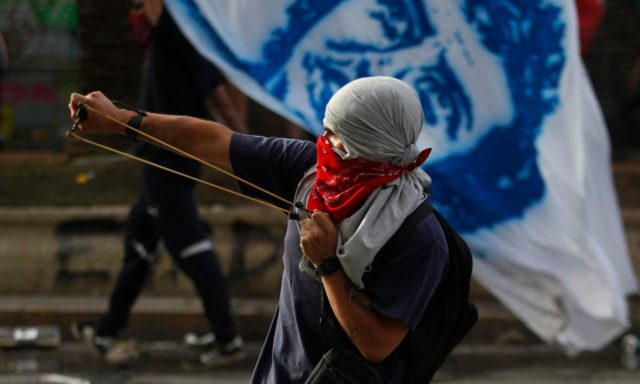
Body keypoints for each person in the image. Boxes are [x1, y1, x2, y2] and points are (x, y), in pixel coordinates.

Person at [68, 76, 475, 382]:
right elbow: (214, 141)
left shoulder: (419, 238)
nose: (324, 140)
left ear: (369, 144)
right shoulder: (311, 171)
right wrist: (124, 121)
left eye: (336, 136)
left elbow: (376, 344)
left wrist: (328, 264)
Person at [70, 0, 246, 367]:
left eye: (139, 2)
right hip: (162, 163)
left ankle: (227, 338)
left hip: (166, 166)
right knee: (139, 241)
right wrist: (246, 148)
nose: (135, 8)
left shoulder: (172, 38)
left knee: (192, 248)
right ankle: (108, 328)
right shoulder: (194, 46)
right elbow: (224, 102)